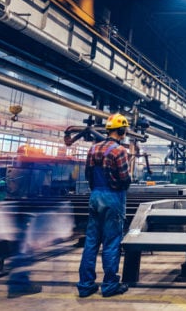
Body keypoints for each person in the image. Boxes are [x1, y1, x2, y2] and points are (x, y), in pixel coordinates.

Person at [76, 113, 132, 298]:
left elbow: (88, 176)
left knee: (91, 242)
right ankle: (109, 285)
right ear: (122, 131)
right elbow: (125, 179)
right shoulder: (120, 151)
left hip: (95, 196)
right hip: (113, 198)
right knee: (111, 242)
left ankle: (85, 285)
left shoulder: (92, 149)